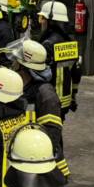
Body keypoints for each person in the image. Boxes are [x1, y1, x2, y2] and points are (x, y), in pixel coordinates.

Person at [12, 40, 70, 178]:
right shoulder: (24, 88)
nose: (12, 65)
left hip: (44, 167)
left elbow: (51, 139)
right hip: (26, 159)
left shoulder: (46, 96)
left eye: (16, 61)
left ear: (22, 66)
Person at [37, 0, 81, 116]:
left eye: (43, 19)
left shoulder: (48, 44)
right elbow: (76, 73)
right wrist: (73, 95)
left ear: (51, 21)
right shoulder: (71, 42)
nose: (41, 23)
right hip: (65, 100)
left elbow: (40, 74)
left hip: (49, 99)